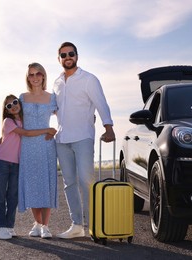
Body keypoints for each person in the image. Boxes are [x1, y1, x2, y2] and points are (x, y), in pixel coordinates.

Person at [53, 42, 115, 239]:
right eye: (63, 55)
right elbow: (55, 108)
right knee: (69, 183)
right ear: (59, 59)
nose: (67, 57)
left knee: (86, 181)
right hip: (62, 139)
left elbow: (101, 103)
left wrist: (109, 127)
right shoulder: (57, 82)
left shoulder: (89, 79)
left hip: (83, 137)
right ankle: (77, 225)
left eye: (71, 54)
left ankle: (93, 225)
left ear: (77, 56)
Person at [0, 94, 57, 240]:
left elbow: (10, 135)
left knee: (13, 196)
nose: (13, 106)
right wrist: (47, 130)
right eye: (9, 105)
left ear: (19, 103)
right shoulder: (8, 121)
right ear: (7, 110)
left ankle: (9, 226)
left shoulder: (22, 121)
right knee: (1, 195)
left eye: (15, 102)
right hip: (3, 161)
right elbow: (26, 133)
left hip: (17, 163)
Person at [18, 62, 58, 239]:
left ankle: (45, 226)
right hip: (27, 145)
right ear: (28, 77)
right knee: (33, 183)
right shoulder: (22, 97)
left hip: (46, 144)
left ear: (43, 76)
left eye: (38, 74)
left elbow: (65, 116)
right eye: (31, 75)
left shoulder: (51, 98)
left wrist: (89, 115)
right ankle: (37, 222)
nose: (34, 77)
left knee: (46, 182)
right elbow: (14, 121)